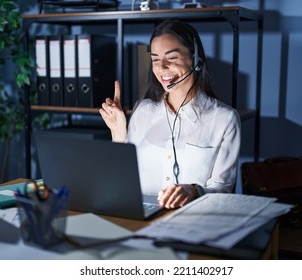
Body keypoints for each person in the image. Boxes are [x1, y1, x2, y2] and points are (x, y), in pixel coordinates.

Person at [99, 19, 241, 209]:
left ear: (195, 57)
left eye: (171, 58)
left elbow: (222, 190)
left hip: (194, 219)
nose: (161, 68)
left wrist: (193, 191)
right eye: (155, 59)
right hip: (140, 215)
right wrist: (118, 134)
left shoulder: (225, 119)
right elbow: (120, 181)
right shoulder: (142, 110)